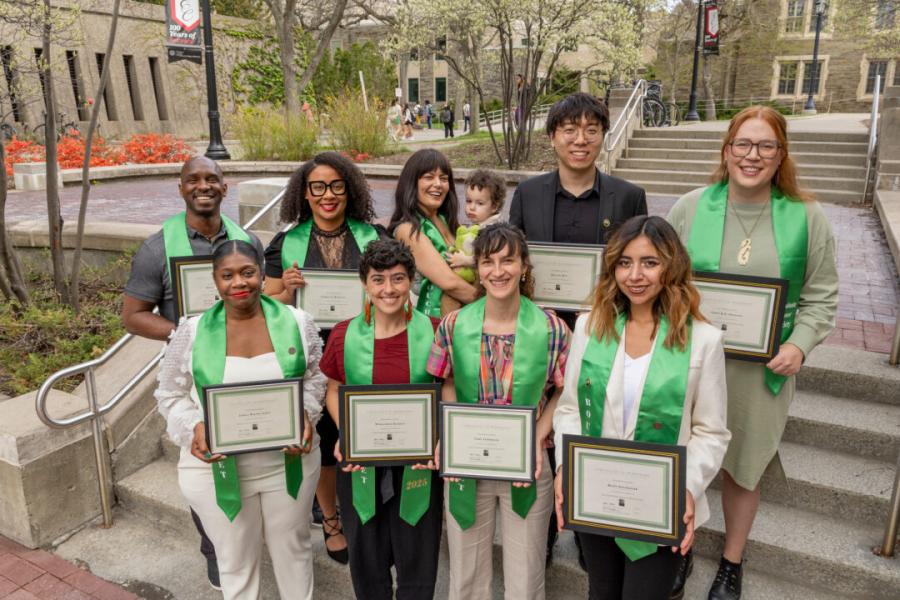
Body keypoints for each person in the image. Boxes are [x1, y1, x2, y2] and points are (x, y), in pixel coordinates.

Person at [666, 105, 837, 600]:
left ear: (780, 155)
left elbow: (822, 294)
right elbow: (663, 278)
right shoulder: (692, 207)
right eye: (743, 144)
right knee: (687, 460)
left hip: (761, 371)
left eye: (765, 146)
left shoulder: (807, 216)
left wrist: (799, 344)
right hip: (692, 365)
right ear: (726, 150)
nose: (752, 155)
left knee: (744, 468)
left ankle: (731, 564)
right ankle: (679, 550)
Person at [552, 215, 730, 600]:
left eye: (650, 262)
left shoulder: (702, 341)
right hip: (596, 493)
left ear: (671, 265)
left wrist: (685, 487)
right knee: (601, 591)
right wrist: (567, 465)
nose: (636, 275)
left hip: (661, 501)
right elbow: (569, 409)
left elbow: (711, 431)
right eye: (625, 262)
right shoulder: (591, 327)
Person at [509, 91, 647, 563]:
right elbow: (516, 267)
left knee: (594, 427)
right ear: (553, 138)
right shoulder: (527, 195)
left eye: (591, 129)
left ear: (603, 136)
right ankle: (543, 530)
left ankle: (594, 532)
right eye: (569, 130)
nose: (580, 139)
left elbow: (635, 270)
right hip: (541, 335)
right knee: (541, 431)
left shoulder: (627, 197)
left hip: (604, 334)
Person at [122, 155, 265, 589]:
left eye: (212, 179)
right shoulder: (157, 247)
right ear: (180, 187)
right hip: (195, 376)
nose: (203, 186)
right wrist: (188, 334)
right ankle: (214, 550)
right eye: (193, 180)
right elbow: (133, 316)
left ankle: (248, 542)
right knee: (205, 460)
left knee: (251, 453)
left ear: (226, 186)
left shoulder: (248, 241)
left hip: (247, 365)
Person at [155, 240, 325, 599]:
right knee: (234, 561)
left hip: (287, 462)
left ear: (263, 274)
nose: (239, 283)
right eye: (227, 275)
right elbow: (169, 394)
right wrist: (194, 428)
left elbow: (315, 377)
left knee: (295, 552)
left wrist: (306, 414)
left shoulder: (297, 322)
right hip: (215, 468)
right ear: (214, 280)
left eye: (247, 272)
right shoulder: (193, 330)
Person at [427, 223, 571, 600]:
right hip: (468, 460)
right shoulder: (454, 324)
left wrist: (541, 430)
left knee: (525, 577)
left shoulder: (553, 328)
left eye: (508, 260)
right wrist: (448, 432)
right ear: (477, 268)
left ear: (524, 265)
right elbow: (447, 381)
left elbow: (565, 390)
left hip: (529, 463)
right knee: (466, 573)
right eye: (488, 262)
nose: (498, 270)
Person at [263, 151, 383, 565]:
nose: (327, 195)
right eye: (318, 187)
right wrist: (288, 289)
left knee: (364, 433)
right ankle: (331, 520)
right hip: (312, 358)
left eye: (336, 185)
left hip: (362, 351)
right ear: (305, 193)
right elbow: (269, 302)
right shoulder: (286, 242)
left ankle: (368, 513)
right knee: (325, 438)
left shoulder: (373, 235)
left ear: (349, 191)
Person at [321, 239, 443, 599]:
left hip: (418, 465)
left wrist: (439, 437)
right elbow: (334, 388)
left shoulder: (435, 330)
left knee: (418, 563)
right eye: (378, 280)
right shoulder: (344, 334)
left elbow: (446, 389)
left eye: (398, 279)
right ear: (364, 283)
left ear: (411, 282)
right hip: (362, 464)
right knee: (367, 562)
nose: (388, 289)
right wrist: (348, 431)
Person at [390, 149, 478, 317]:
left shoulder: (450, 223)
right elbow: (449, 283)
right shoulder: (408, 230)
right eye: (429, 177)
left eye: (444, 178)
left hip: (466, 318)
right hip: (432, 325)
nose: (438, 184)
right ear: (411, 183)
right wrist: (496, 304)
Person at [441, 168, 506, 314]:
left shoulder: (493, 229)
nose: (471, 207)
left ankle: (447, 329)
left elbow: (491, 257)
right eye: (469, 201)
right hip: (473, 277)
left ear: (494, 206)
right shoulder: (477, 226)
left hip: (484, 282)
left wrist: (465, 260)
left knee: (450, 299)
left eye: (479, 203)